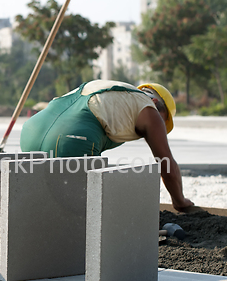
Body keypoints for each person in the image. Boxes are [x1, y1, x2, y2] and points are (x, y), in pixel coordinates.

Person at [20, 79, 193, 212]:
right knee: (86, 211)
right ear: (156, 103)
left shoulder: (116, 92)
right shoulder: (149, 109)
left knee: (48, 202)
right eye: (163, 122)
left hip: (31, 131)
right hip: (69, 139)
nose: (160, 127)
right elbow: (166, 163)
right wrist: (180, 201)